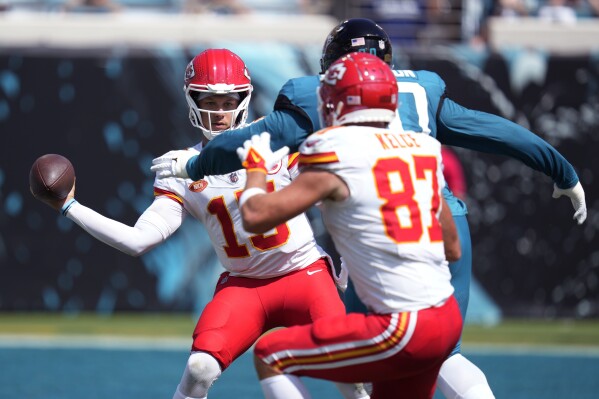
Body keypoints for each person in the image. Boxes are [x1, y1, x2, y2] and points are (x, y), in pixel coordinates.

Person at [151, 18, 587, 399]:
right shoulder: (420, 142)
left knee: (280, 355)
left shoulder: (329, 146)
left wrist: (209, 165)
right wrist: (562, 170)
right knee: (440, 357)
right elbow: (481, 161)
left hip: (378, 240)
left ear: (336, 92)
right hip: (433, 227)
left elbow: (258, 208)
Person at [33, 49, 368, 399]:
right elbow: (138, 241)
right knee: (199, 369)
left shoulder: (278, 142)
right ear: (191, 100)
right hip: (245, 286)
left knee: (351, 370)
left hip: (305, 274)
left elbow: (336, 192)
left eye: (227, 100)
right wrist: (69, 206)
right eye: (209, 99)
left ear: (244, 98)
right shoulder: (182, 167)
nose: (219, 110)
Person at [236, 52, 463, 398]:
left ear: (338, 103)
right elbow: (452, 248)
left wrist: (255, 168)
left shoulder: (334, 151)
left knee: (272, 355)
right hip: (446, 318)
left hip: (402, 325)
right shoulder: (422, 147)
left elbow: (254, 216)